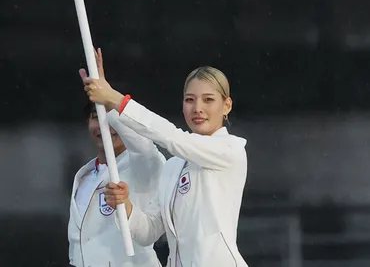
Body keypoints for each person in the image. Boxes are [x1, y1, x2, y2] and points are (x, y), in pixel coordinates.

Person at [83, 50, 248, 267]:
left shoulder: (230, 150)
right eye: (190, 100)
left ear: (226, 105)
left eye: (208, 100)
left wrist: (114, 99)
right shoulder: (173, 166)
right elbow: (149, 231)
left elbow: (171, 137)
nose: (198, 108)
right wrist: (125, 205)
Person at [68, 49, 166, 267]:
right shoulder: (85, 176)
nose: (104, 125)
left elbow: (143, 146)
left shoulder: (144, 164)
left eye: (110, 116)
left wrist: (109, 97)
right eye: (96, 116)